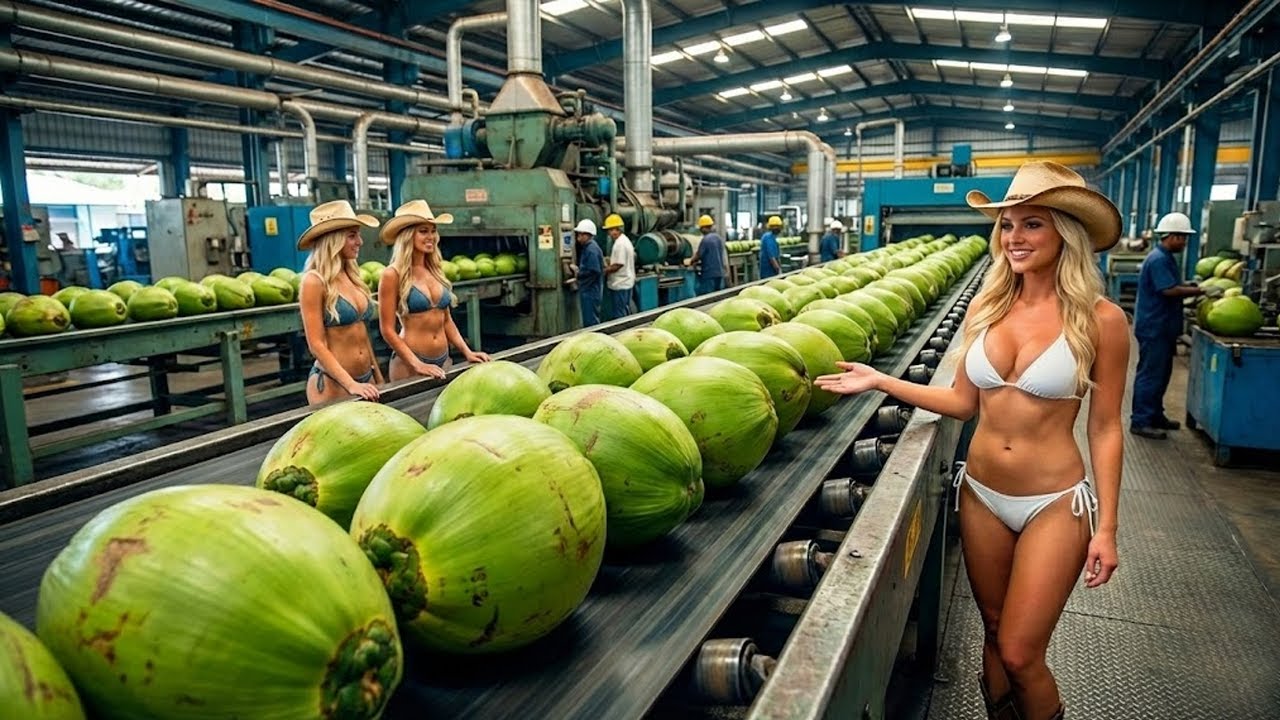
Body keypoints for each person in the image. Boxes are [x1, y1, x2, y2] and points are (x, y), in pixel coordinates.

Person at [815, 161, 1130, 720]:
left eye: (1032, 224)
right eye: (1007, 225)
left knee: (1021, 652)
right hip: (981, 493)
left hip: (1054, 502)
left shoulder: (1100, 320)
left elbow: (1105, 427)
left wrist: (1106, 527)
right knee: (990, 632)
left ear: (1066, 232)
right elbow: (963, 402)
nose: (1015, 238)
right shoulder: (988, 308)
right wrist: (881, 380)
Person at [377, 199, 490, 382]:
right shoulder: (392, 275)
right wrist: (416, 364)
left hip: (443, 360)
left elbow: (446, 320)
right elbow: (387, 330)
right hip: (409, 362)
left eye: (433, 231)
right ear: (407, 235)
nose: (430, 236)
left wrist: (467, 352)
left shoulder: (435, 270)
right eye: (423, 231)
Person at [1130, 211, 1218, 439]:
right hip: (1154, 327)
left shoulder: (1165, 257)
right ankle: (1140, 420)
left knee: (1162, 373)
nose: (1185, 242)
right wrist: (1201, 290)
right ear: (1173, 236)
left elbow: (1173, 284)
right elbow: (1168, 289)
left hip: (1163, 326)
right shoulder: (1159, 259)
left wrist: (1189, 285)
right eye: (1183, 237)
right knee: (1151, 374)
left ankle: (1155, 415)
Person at [297, 200, 385, 405]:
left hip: (366, 380)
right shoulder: (314, 281)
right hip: (334, 384)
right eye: (352, 235)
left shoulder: (353, 276)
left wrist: (378, 375)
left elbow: (362, 334)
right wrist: (351, 384)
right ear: (333, 239)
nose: (360, 242)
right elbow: (317, 345)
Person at [570, 218, 605, 326]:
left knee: (591, 321)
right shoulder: (589, 248)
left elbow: (594, 271)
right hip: (590, 289)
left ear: (587, 235)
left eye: (580, 235)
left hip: (590, 291)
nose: (578, 238)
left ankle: (594, 340)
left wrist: (578, 275)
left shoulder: (591, 250)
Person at [602, 213, 635, 320]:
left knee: (619, 314)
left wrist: (604, 271)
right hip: (626, 281)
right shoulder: (625, 240)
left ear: (617, 229)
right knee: (624, 309)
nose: (610, 233)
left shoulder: (620, 244)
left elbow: (618, 264)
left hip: (620, 283)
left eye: (611, 230)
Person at [690, 214, 728, 294]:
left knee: (707, 298)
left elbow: (699, 255)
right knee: (717, 296)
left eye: (701, 228)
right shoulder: (718, 238)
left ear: (704, 228)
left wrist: (690, 261)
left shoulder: (706, 240)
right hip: (720, 273)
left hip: (709, 274)